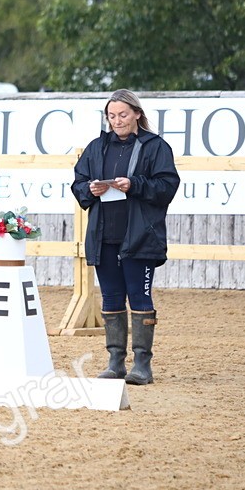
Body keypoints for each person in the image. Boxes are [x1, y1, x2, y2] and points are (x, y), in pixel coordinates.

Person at [71, 89, 180, 385]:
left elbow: (167, 186)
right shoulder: (96, 147)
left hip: (140, 236)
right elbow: (78, 183)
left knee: (140, 297)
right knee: (111, 298)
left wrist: (134, 184)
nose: (116, 120)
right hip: (105, 235)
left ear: (137, 114)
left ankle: (142, 365)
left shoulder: (155, 147)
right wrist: (88, 190)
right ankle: (115, 362)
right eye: (111, 115)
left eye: (122, 114)